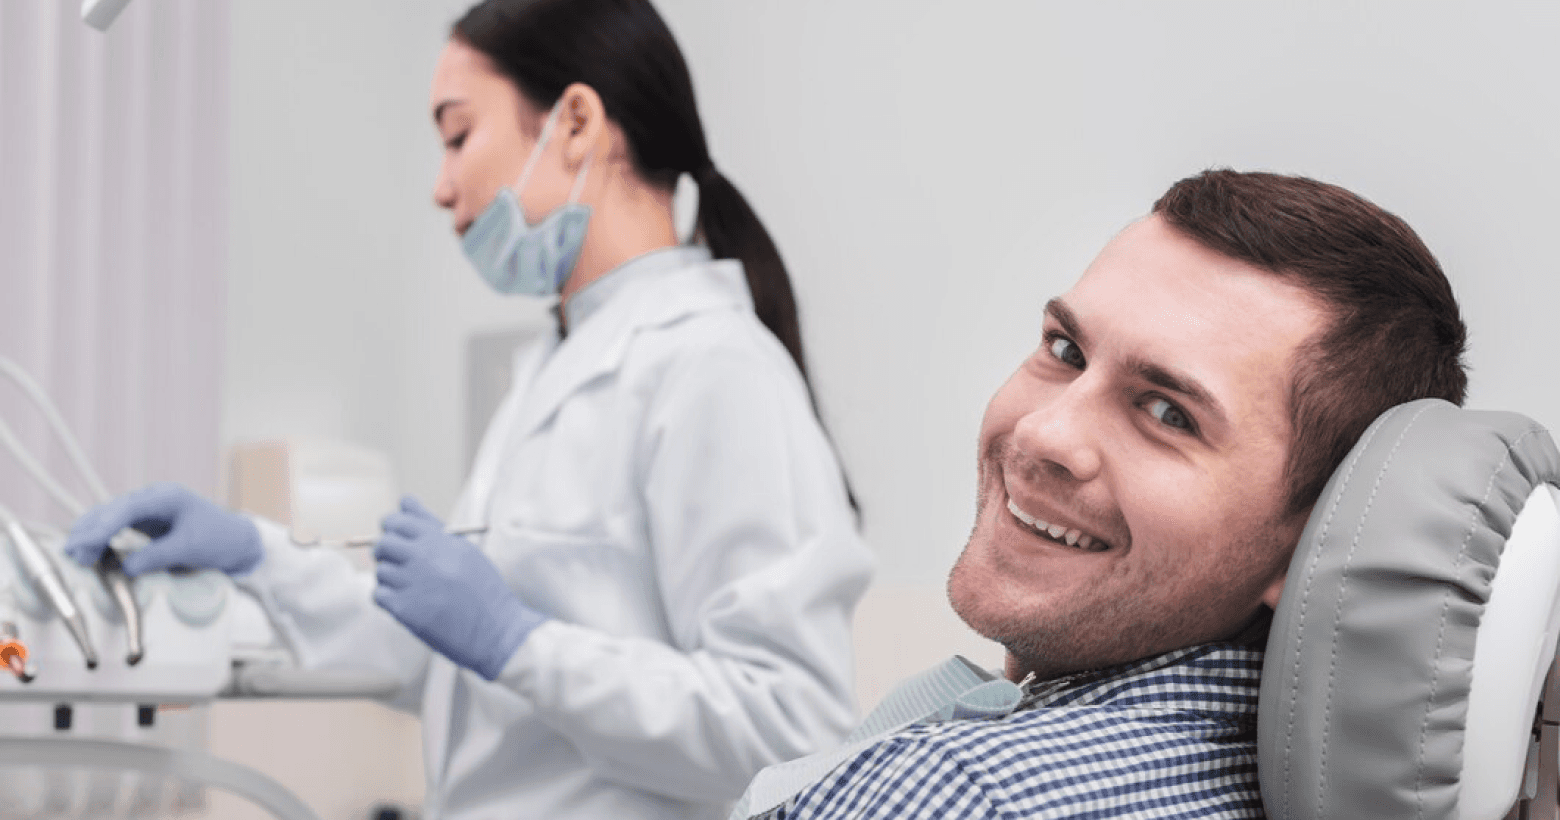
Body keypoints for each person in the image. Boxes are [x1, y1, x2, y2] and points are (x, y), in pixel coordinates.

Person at [63, 0, 874, 818]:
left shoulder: (714, 366)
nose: (442, 186)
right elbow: (461, 669)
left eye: (457, 137)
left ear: (578, 122)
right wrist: (255, 556)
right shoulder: (556, 369)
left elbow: (788, 732)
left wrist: (514, 639)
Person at [730, 169, 1468, 819]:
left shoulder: (964, 795)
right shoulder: (1274, 780)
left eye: (1168, 413)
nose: (1043, 435)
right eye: (1066, 350)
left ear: (1316, 539)